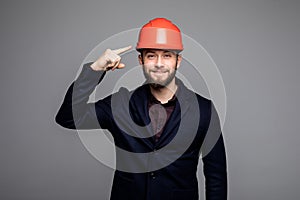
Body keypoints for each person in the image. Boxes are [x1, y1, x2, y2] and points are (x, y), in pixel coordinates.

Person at [55, 18, 227, 200]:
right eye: (151, 55)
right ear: (141, 60)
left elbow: (216, 177)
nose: (159, 63)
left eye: (167, 55)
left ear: (178, 61)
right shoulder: (120, 104)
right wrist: (95, 69)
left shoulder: (204, 109)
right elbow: (68, 117)